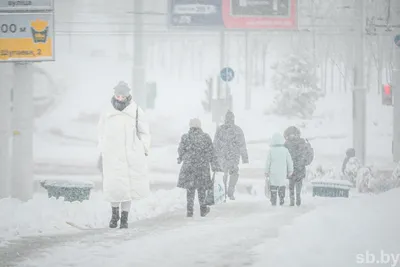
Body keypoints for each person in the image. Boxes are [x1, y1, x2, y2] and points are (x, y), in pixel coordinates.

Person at [97, 81, 151, 229]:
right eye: (118, 95)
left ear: (128, 95)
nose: (120, 98)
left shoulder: (136, 111)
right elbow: (100, 133)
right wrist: (103, 149)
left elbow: (145, 132)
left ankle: (124, 219)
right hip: (112, 155)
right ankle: (114, 216)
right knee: (114, 188)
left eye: (123, 95)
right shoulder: (107, 112)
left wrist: (144, 148)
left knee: (128, 189)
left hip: (131, 155)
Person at [177, 118, 219, 217]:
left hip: (189, 167)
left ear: (190, 126)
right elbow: (211, 152)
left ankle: (189, 211)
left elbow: (180, 151)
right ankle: (203, 209)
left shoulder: (185, 137)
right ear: (200, 126)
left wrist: (181, 158)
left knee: (190, 190)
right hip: (202, 167)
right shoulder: (205, 137)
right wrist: (214, 165)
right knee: (202, 189)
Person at [213, 110, 249, 200]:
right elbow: (242, 145)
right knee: (234, 173)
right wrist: (244, 158)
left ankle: (224, 191)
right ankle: (231, 190)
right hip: (233, 157)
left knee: (223, 174)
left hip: (222, 156)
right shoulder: (238, 130)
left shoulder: (220, 129)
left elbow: (215, 144)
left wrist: (214, 156)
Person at [284, 126, 313, 206]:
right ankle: (296, 199)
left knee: (292, 185)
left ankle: (293, 199)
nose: (293, 136)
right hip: (298, 168)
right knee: (295, 185)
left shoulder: (287, 144)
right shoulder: (302, 143)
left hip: (293, 169)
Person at [265, 133, 294, 206]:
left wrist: (266, 171)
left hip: (273, 172)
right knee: (281, 185)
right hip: (282, 172)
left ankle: (273, 200)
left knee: (273, 186)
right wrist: (290, 170)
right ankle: (281, 199)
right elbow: (289, 161)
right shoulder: (285, 150)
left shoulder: (271, 151)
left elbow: (268, 162)